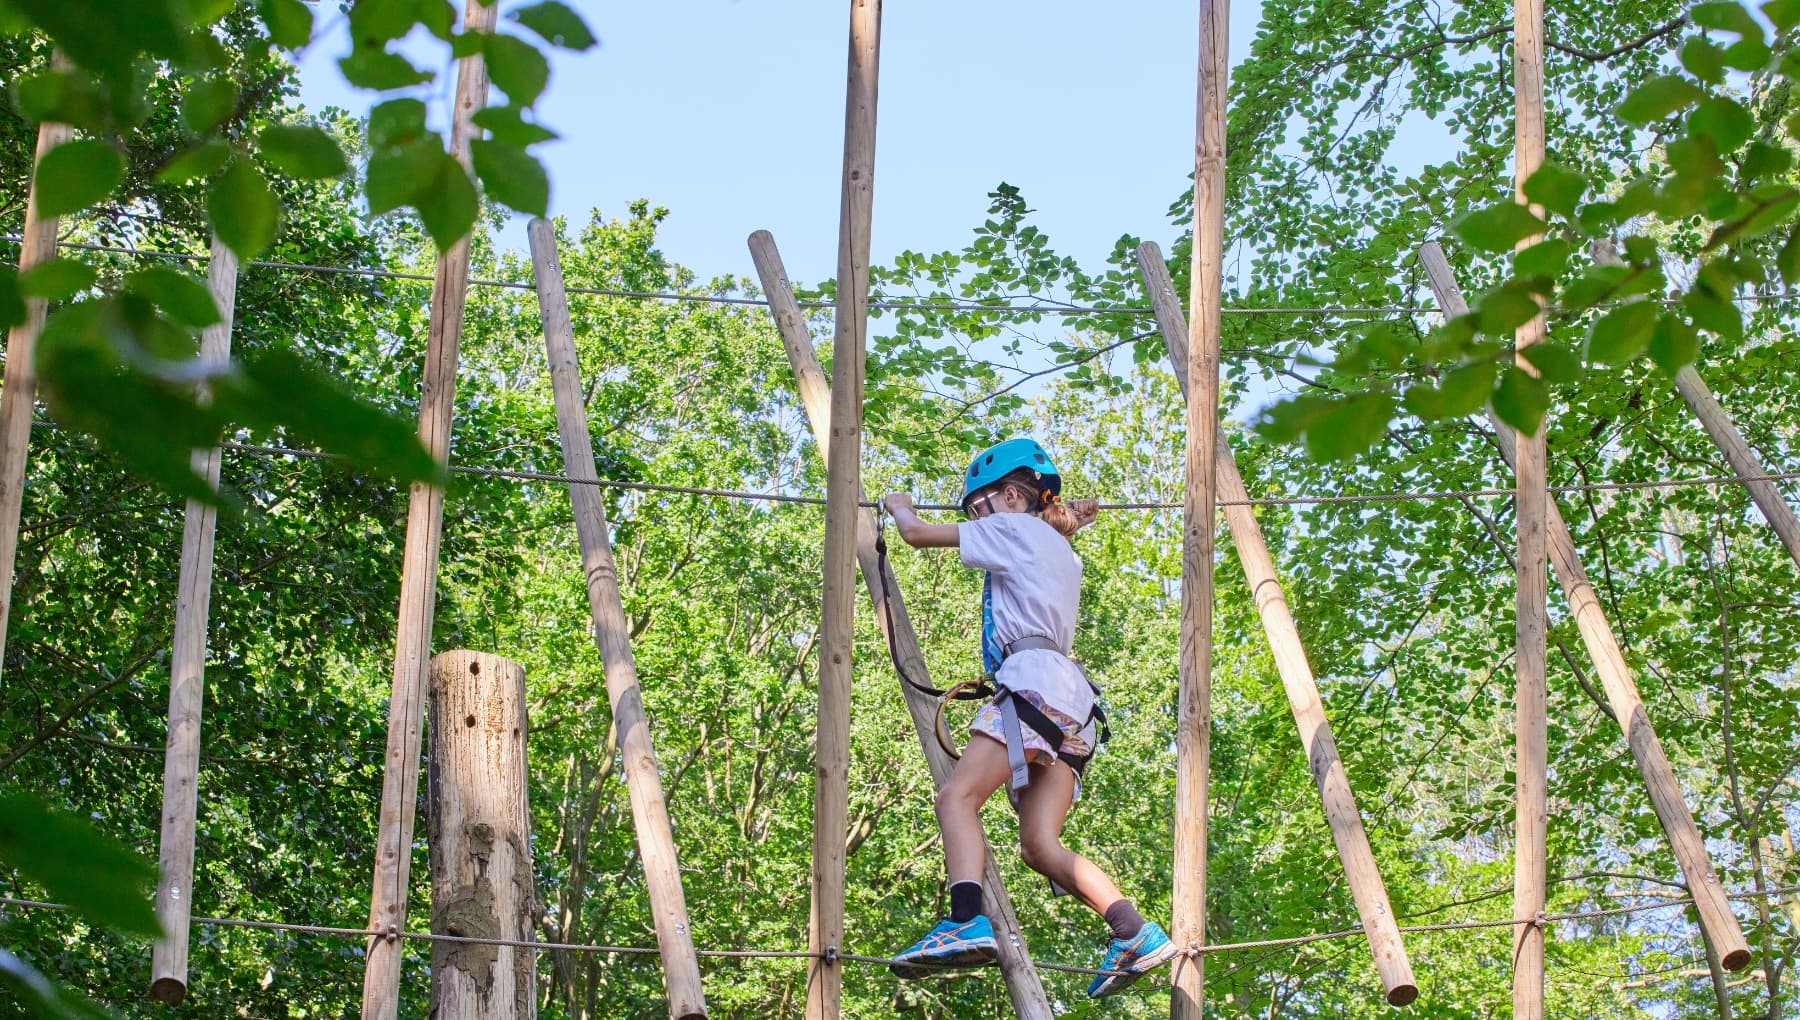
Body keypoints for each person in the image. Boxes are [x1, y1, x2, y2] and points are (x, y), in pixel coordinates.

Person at [880, 437, 1177, 999]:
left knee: (956, 798)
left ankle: (965, 917)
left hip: (1034, 684)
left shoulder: (1014, 528)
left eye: (979, 508)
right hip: (1075, 705)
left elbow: (916, 534)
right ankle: (1134, 931)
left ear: (1012, 497)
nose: (977, 521)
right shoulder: (1063, 550)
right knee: (1039, 844)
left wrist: (898, 505)